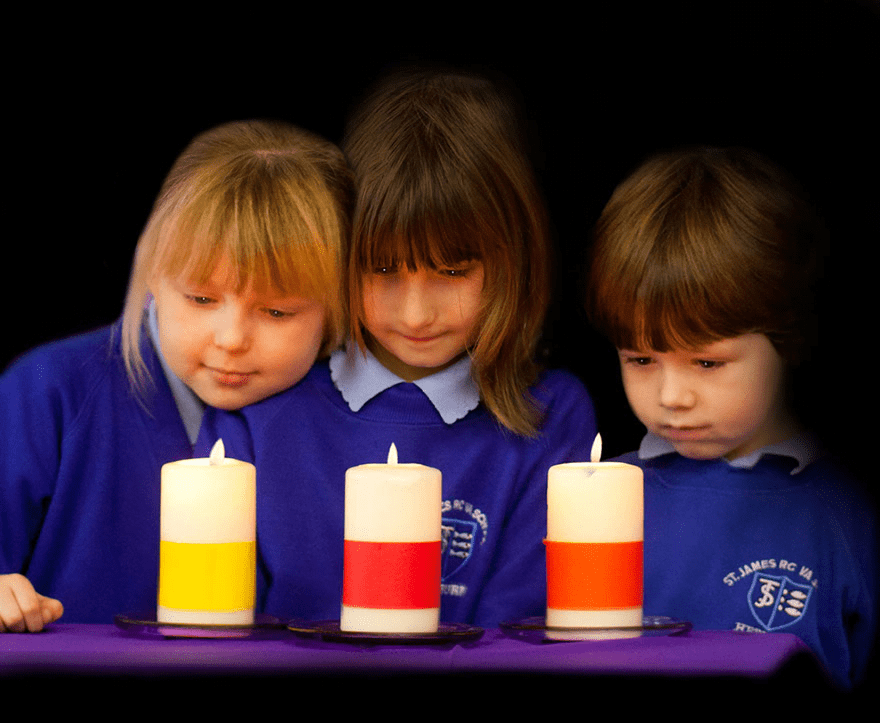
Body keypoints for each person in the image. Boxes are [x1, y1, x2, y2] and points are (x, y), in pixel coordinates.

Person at [247, 68, 598, 627]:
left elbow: (517, 634)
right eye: (382, 270)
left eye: (452, 271)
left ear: (513, 258)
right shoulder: (264, 402)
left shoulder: (552, 416)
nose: (415, 313)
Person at [0, 119, 352, 631]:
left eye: (278, 312)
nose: (231, 338)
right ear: (153, 278)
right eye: (201, 298)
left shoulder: (361, 421)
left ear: (335, 314)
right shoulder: (45, 393)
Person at [586, 146, 880, 689]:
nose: (672, 396)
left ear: (790, 340)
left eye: (706, 361)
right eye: (641, 359)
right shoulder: (590, 498)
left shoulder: (849, 509)